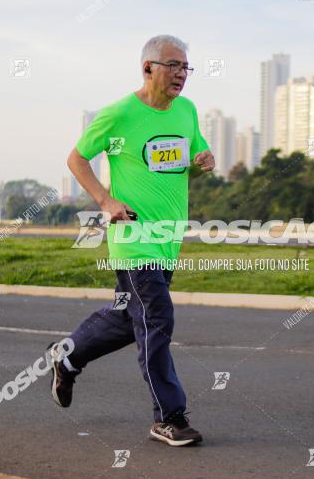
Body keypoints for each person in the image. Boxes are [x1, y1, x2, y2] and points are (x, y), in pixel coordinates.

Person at [46, 35, 215, 447]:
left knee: (129, 318)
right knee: (157, 320)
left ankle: (67, 357)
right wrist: (106, 200)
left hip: (167, 239)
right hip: (133, 238)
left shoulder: (187, 111)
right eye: (173, 65)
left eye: (185, 67)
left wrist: (203, 161)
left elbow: (184, 166)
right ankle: (169, 417)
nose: (181, 75)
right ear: (148, 68)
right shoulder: (120, 114)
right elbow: (76, 158)